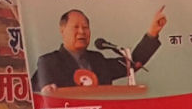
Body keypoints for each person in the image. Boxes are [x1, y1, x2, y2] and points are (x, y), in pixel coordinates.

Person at [31, 6, 167, 90]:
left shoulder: (97, 60)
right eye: (76, 27)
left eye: (85, 27)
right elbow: (41, 95)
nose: (82, 32)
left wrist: (153, 32)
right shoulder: (49, 62)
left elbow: (132, 63)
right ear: (62, 30)